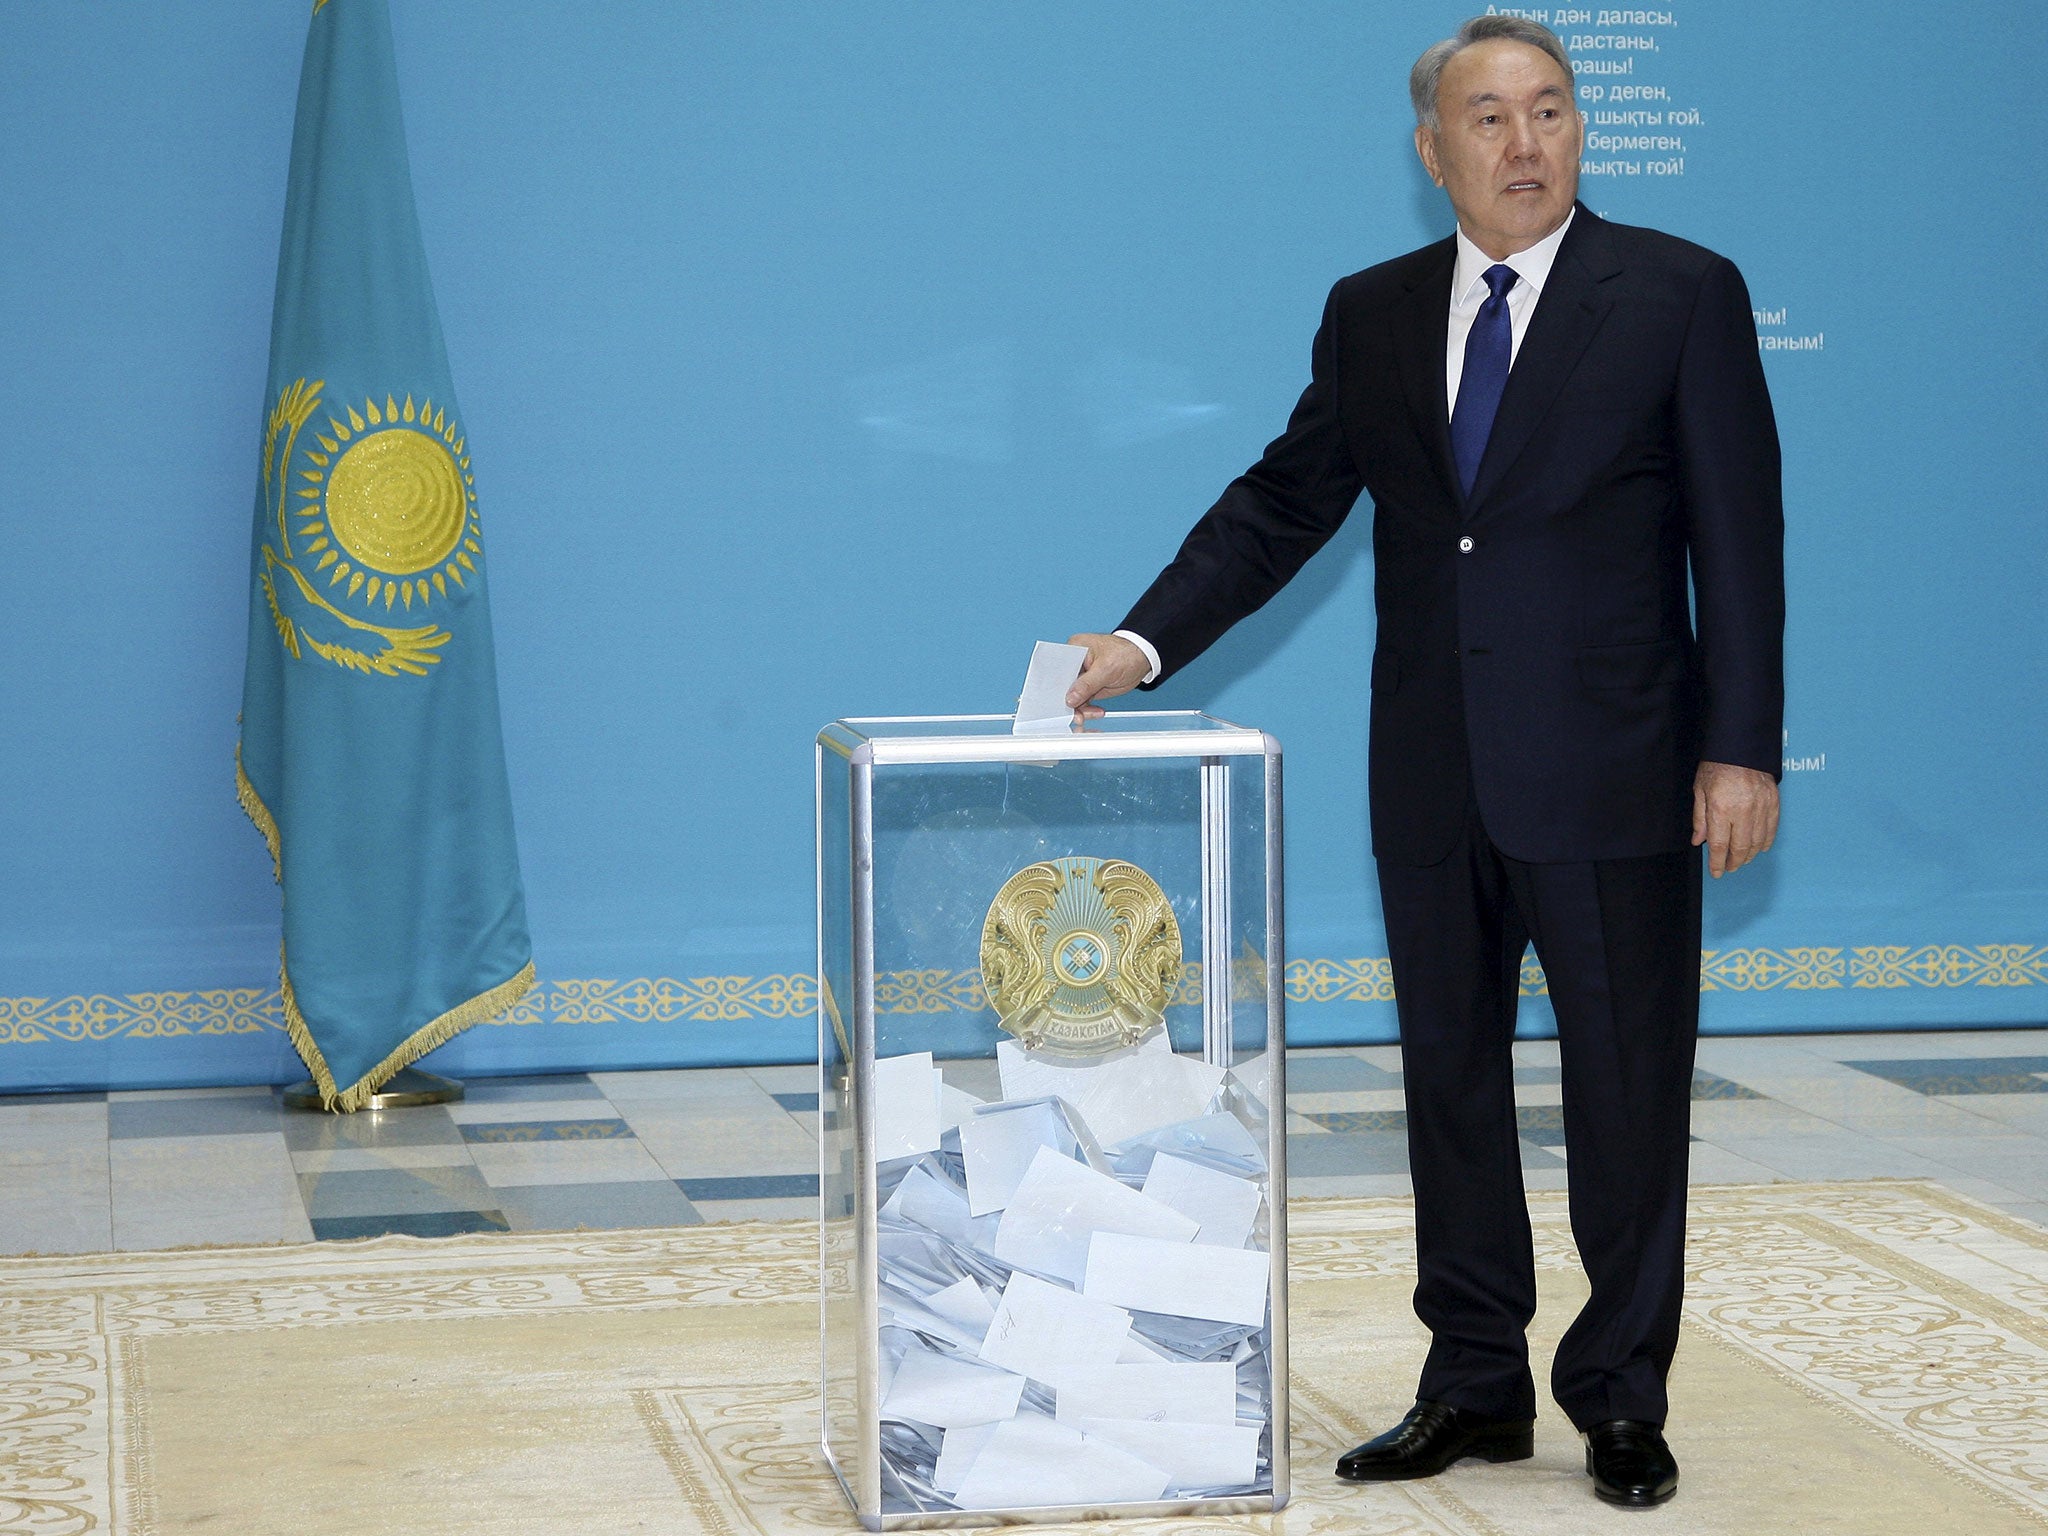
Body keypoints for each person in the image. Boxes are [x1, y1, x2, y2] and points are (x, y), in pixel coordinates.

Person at [1063, 14, 1783, 1510]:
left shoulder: (1679, 293)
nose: (1525, 147)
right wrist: (1139, 646)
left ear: (1580, 131)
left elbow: (1741, 538)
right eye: (1489, 119)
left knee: (1626, 1093)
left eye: (1551, 114)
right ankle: (1473, 1383)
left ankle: (1620, 1395)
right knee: (1450, 1087)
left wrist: (1739, 748)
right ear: (1431, 148)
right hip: (1433, 773)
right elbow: (1284, 501)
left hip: (1617, 769)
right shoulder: (1373, 310)